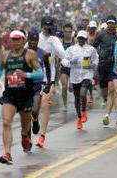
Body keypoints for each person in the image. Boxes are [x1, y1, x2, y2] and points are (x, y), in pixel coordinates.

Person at [0, 30, 43, 165]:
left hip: (26, 95)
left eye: (18, 40)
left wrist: (26, 75)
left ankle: (25, 135)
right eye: (12, 40)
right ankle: (7, 154)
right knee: (6, 122)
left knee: (25, 125)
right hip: (10, 96)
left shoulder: (30, 54)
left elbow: (40, 74)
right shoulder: (4, 55)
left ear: (24, 41)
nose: (15, 42)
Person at [36, 16, 65, 148]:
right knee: (33, 108)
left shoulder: (54, 40)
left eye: (50, 28)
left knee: (46, 105)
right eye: (46, 28)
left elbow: (62, 54)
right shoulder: (35, 39)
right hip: (34, 77)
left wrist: (55, 44)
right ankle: (35, 120)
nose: (48, 30)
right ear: (42, 26)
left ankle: (42, 135)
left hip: (49, 77)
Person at [62, 30, 99, 130]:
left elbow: (96, 58)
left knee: (83, 94)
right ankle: (79, 118)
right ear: (77, 39)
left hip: (87, 74)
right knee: (77, 98)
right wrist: (70, 62)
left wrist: (94, 64)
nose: (81, 40)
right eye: (79, 38)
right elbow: (64, 60)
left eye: (83, 38)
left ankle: (83, 112)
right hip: (75, 76)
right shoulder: (71, 49)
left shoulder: (91, 49)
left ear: (86, 39)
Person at [93, 15, 117, 107]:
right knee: (103, 83)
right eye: (109, 23)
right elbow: (94, 46)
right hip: (103, 62)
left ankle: (113, 99)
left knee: (112, 83)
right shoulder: (101, 34)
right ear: (107, 23)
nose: (111, 25)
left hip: (115, 63)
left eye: (112, 23)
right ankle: (105, 98)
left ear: (115, 24)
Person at [60, 23, 74, 111]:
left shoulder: (75, 41)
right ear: (63, 32)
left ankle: (78, 101)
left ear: (71, 32)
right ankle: (65, 105)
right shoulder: (60, 42)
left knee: (72, 88)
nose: (67, 33)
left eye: (69, 32)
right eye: (66, 32)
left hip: (74, 68)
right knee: (64, 86)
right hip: (64, 67)